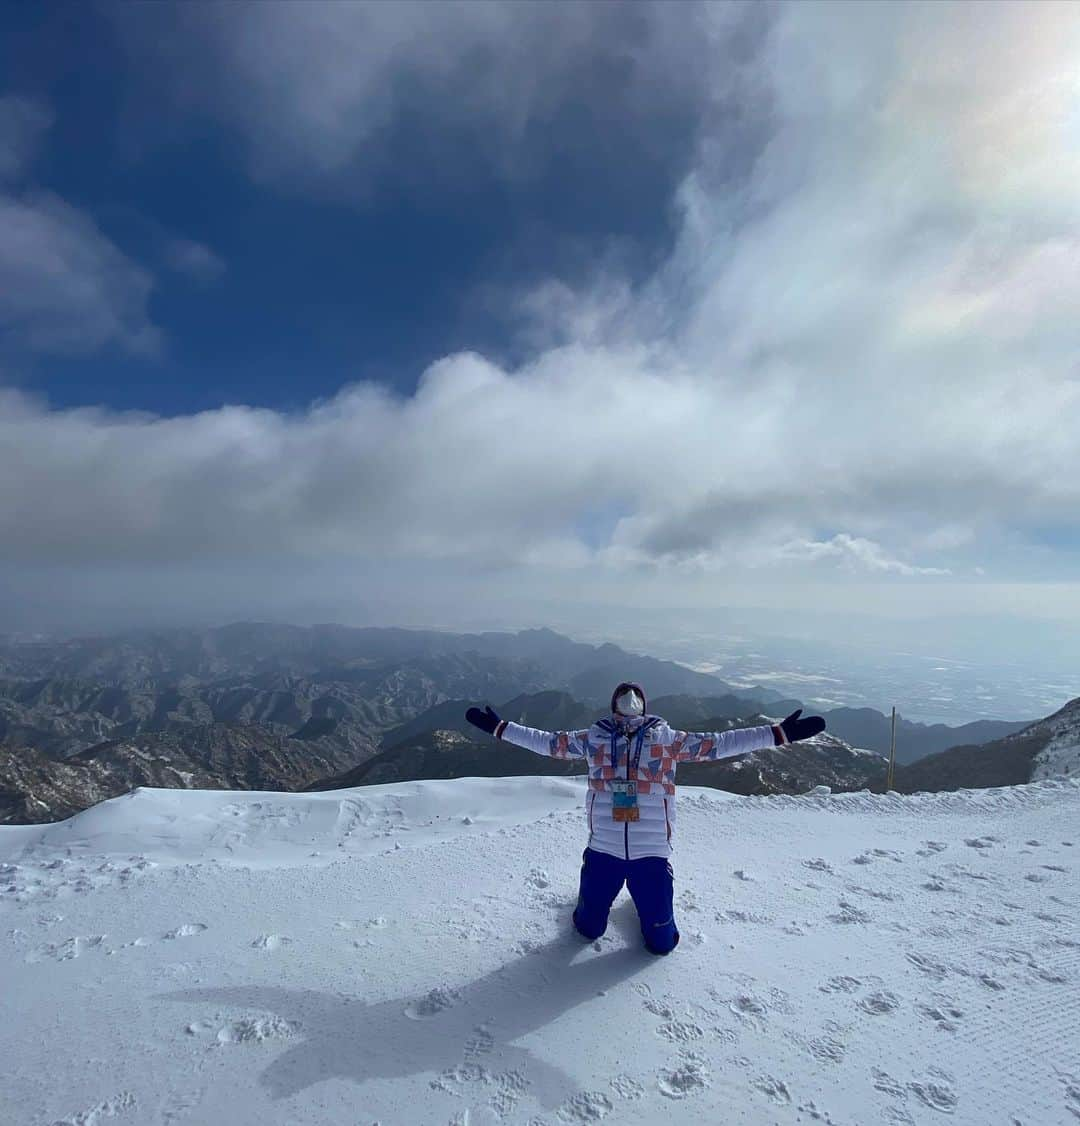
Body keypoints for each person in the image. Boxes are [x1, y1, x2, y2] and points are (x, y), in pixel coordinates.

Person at [466, 682, 825, 956]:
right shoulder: (595, 738)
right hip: (602, 850)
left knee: (662, 944)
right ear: (612, 707)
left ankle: (642, 908)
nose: (628, 704)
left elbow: (720, 743)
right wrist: (501, 728)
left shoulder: (666, 739)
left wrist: (778, 734)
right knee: (587, 930)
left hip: (651, 855)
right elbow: (547, 742)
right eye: (623, 698)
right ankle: (596, 907)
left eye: (633, 697)